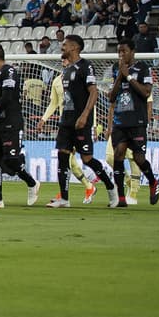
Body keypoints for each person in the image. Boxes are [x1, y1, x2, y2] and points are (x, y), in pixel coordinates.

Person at [47, 34, 117, 208]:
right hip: (66, 121)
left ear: (74, 47)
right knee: (62, 156)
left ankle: (111, 189)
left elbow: (93, 92)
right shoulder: (67, 69)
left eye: (65, 45)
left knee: (87, 159)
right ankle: (64, 198)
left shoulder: (86, 66)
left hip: (81, 121)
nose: (62, 48)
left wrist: (85, 115)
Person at [0, 44, 41, 209]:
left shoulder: (10, 71)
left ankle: (32, 182)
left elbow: (7, 97)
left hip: (12, 122)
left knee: (11, 160)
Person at [105, 40, 159, 207]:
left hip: (137, 121)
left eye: (124, 51)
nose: (121, 55)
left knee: (139, 158)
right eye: (119, 52)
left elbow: (146, 92)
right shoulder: (116, 69)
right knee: (118, 154)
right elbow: (112, 97)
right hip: (120, 121)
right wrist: (120, 76)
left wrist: (128, 76)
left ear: (133, 52)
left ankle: (152, 182)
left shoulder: (143, 68)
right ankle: (121, 198)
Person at [38, 49, 98, 203]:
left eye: (65, 60)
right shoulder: (57, 81)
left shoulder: (80, 76)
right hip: (65, 123)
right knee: (67, 160)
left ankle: (92, 185)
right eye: (62, 61)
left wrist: (94, 124)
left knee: (83, 159)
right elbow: (54, 103)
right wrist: (44, 119)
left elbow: (91, 101)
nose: (63, 63)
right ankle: (77, 189)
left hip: (81, 123)